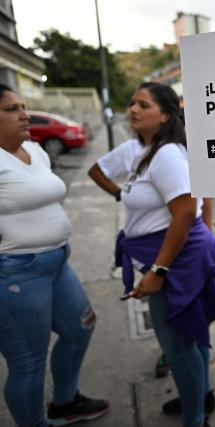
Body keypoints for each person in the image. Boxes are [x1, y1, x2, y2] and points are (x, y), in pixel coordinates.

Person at [88, 82, 215, 427]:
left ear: (165, 115)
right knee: (188, 337)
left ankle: (195, 418)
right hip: (177, 257)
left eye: (143, 105)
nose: (133, 109)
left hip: (176, 262)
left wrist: (158, 270)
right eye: (132, 103)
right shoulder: (151, 151)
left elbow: (184, 212)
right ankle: (200, 398)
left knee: (179, 345)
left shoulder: (167, 154)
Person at [0, 83, 109, 426]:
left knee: (81, 327)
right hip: (17, 272)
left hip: (58, 261)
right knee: (29, 362)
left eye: (23, 106)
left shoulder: (36, 150)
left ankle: (65, 402)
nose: (24, 114)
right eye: (11, 109)